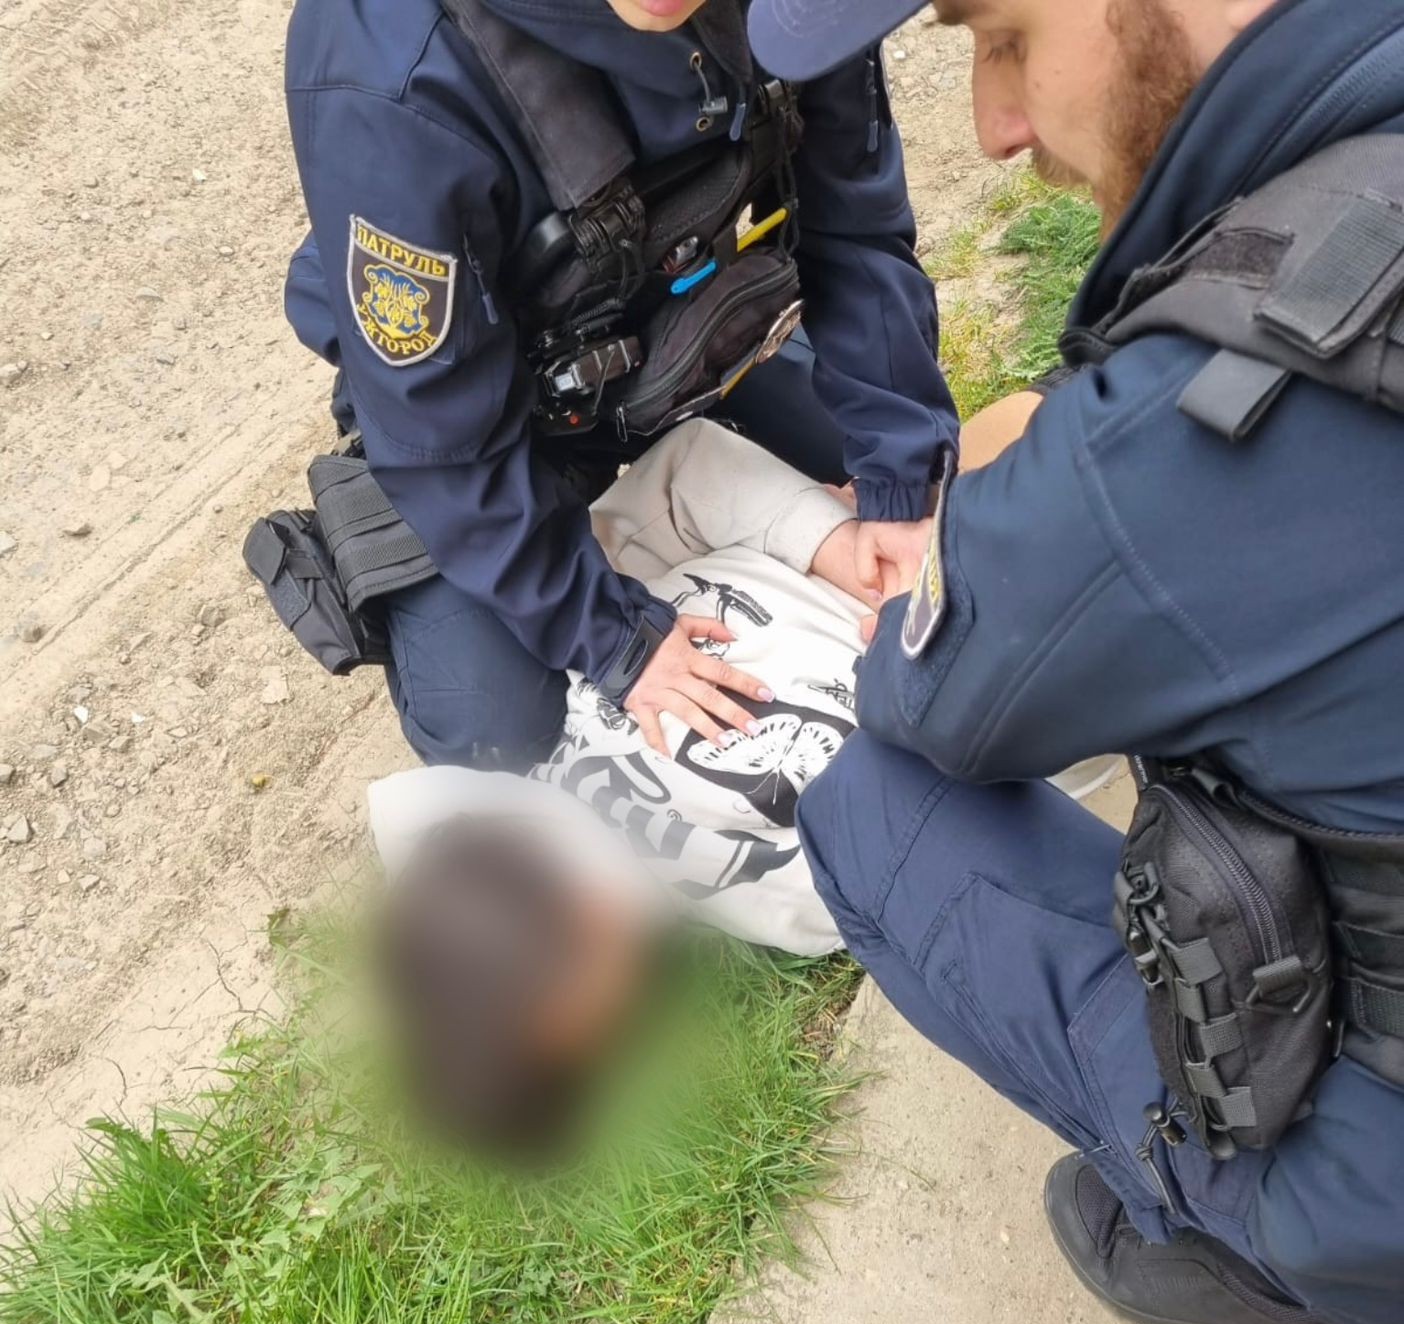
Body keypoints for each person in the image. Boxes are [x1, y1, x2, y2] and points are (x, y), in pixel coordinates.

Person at [747, 0, 1404, 1324]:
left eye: (1002, 35)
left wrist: (1017, 475)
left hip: (1382, 1195)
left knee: (872, 806)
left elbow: (926, 689)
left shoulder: (1185, 445)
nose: (994, 127)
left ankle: (1306, 1289)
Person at [369, 420, 1119, 1150]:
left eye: (564, 952)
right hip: (993, 645)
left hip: (882, 551)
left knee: (1066, 426)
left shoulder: (535, 696)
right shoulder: (772, 900)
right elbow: (984, 824)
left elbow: (684, 478)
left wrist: (834, 543)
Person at [279, 0, 957, 775]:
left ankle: (689, 454)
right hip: (486, 409)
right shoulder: (385, 63)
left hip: (685, 316)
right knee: (494, 730)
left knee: (901, 519)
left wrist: (902, 485)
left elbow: (856, 234)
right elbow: (446, 441)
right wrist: (620, 639)